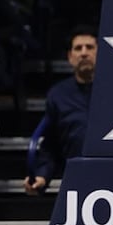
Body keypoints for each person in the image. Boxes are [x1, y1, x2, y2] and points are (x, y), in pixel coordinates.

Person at [25, 29, 97, 194]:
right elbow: (51, 145)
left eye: (90, 47)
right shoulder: (58, 95)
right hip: (77, 175)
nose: (84, 53)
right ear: (70, 57)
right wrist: (41, 176)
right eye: (78, 48)